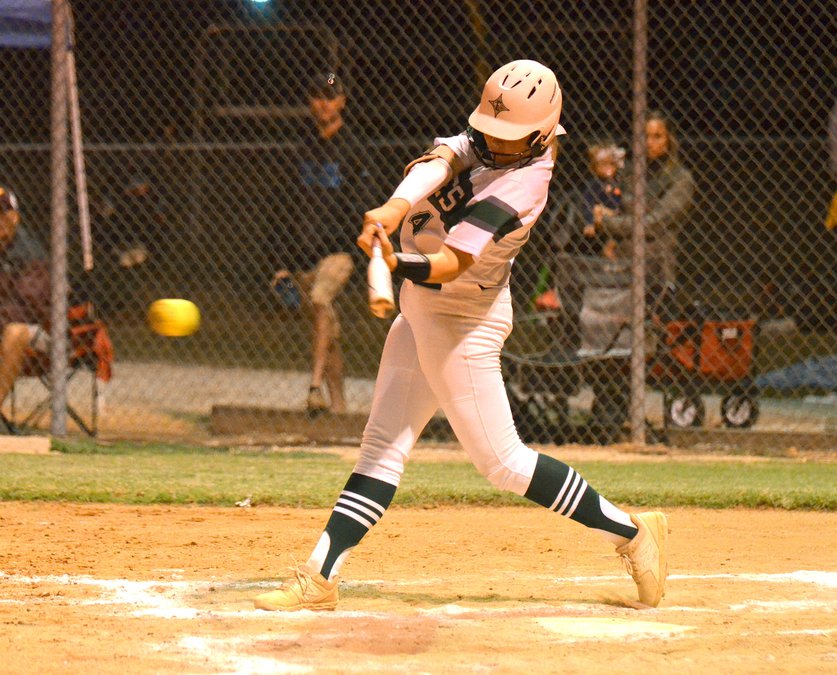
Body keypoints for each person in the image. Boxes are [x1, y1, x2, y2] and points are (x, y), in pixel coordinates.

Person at [253, 60, 669, 612]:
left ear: (540, 135)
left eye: (506, 136)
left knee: (504, 463)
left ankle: (633, 534)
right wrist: (394, 208)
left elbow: (451, 263)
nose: (492, 143)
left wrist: (394, 261)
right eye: (489, 131)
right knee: (381, 447)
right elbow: (442, 159)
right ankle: (320, 577)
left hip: (461, 323)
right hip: (422, 312)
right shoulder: (495, 135)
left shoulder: (524, 184)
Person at [269, 72, 366, 415]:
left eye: (330, 97)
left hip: (339, 252)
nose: (323, 103)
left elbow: (363, 205)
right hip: (302, 254)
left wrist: (358, 249)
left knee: (320, 299)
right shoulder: (300, 148)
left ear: (342, 102)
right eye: (317, 96)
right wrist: (279, 263)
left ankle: (313, 387)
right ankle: (338, 408)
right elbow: (281, 207)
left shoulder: (353, 149)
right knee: (326, 328)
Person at [592, 110, 694, 287]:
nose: (649, 143)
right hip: (621, 258)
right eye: (645, 136)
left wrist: (607, 222)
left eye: (657, 136)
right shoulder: (632, 174)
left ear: (669, 140)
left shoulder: (680, 178)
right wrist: (612, 238)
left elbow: (652, 224)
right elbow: (624, 210)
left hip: (656, 264)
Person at [0, 185, 51, 407]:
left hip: (39, 332)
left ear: (14, 217)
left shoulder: (30, 254)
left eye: (2, 214)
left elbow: (27, 309)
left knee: (15, 332)